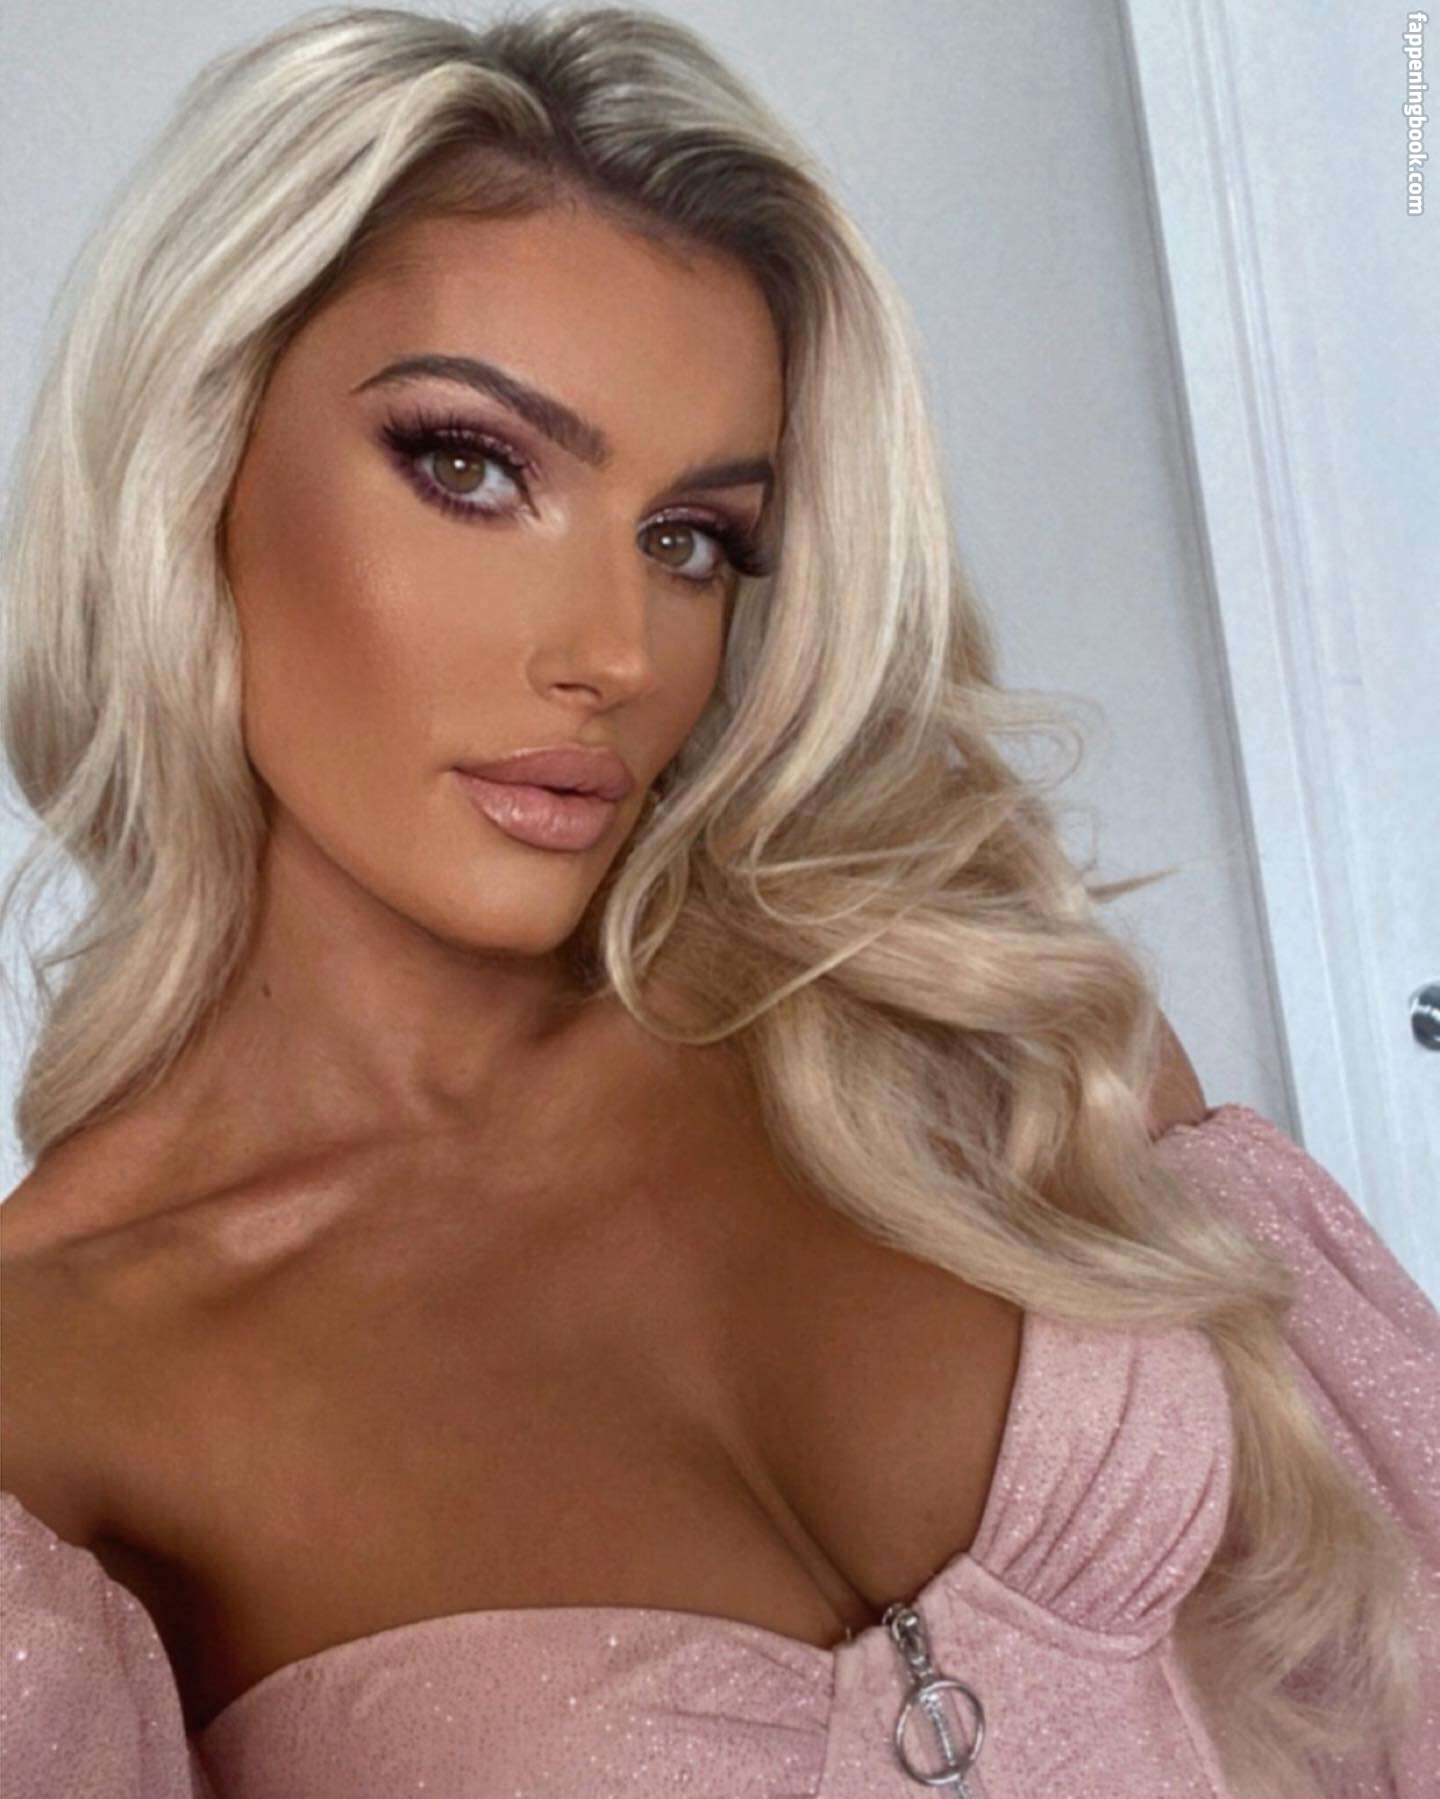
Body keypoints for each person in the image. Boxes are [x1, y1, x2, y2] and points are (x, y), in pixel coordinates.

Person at [0, 6, 1435, 1796]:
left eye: (690, 540)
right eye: (472, 467)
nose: (614, 652)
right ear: (190, 474)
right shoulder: (54, 1402)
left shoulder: (960, 1017)